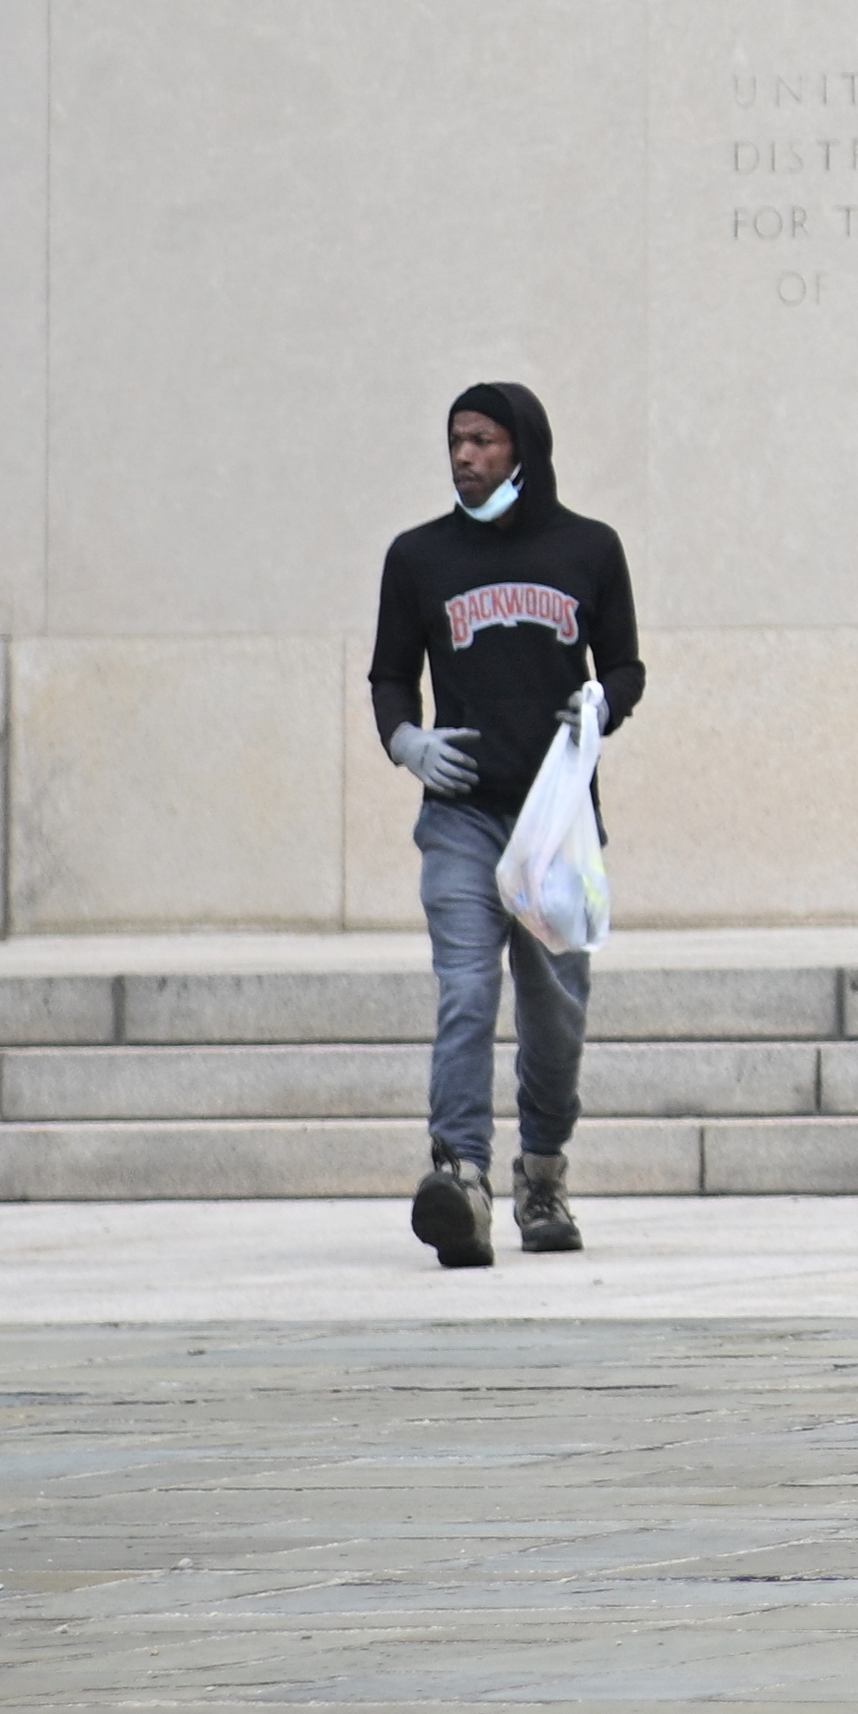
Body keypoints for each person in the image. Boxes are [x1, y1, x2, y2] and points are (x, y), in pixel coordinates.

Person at [368, 378, 640, 1267]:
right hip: (461, 816)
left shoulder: (589, 549)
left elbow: (627, 669)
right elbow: (389, 675)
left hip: (553, 823)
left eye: (483, 441)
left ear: (522, 447)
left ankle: (544, 1178)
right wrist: (405, 740)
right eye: (455, 441)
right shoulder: (419, 558)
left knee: (556, 1013)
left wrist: (600, 707)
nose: (465, 457)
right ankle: (462, 1176)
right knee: (467, 992)